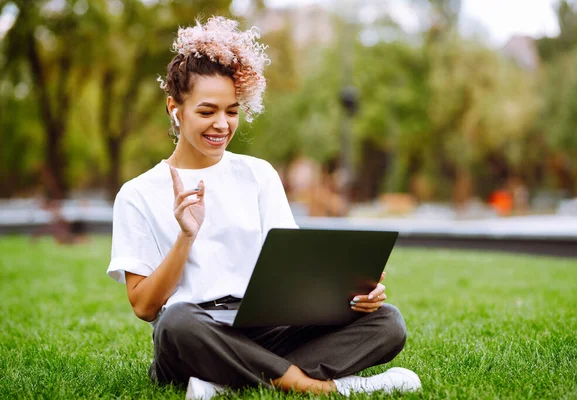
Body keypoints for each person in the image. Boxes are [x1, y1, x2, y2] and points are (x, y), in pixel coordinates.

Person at [106, 16, 421, 399]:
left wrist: (352, 293)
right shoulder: (137, 193)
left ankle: (223, 383)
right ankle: (320, 387)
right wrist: (186, 237)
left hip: (267, 325)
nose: (221, 124)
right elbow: (143, 306)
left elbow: (289, 265)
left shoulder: (258, 175)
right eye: (207, 112)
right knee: (177, 321)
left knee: (387, 323)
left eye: (232, 111)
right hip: (196, 332)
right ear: (175, 108)